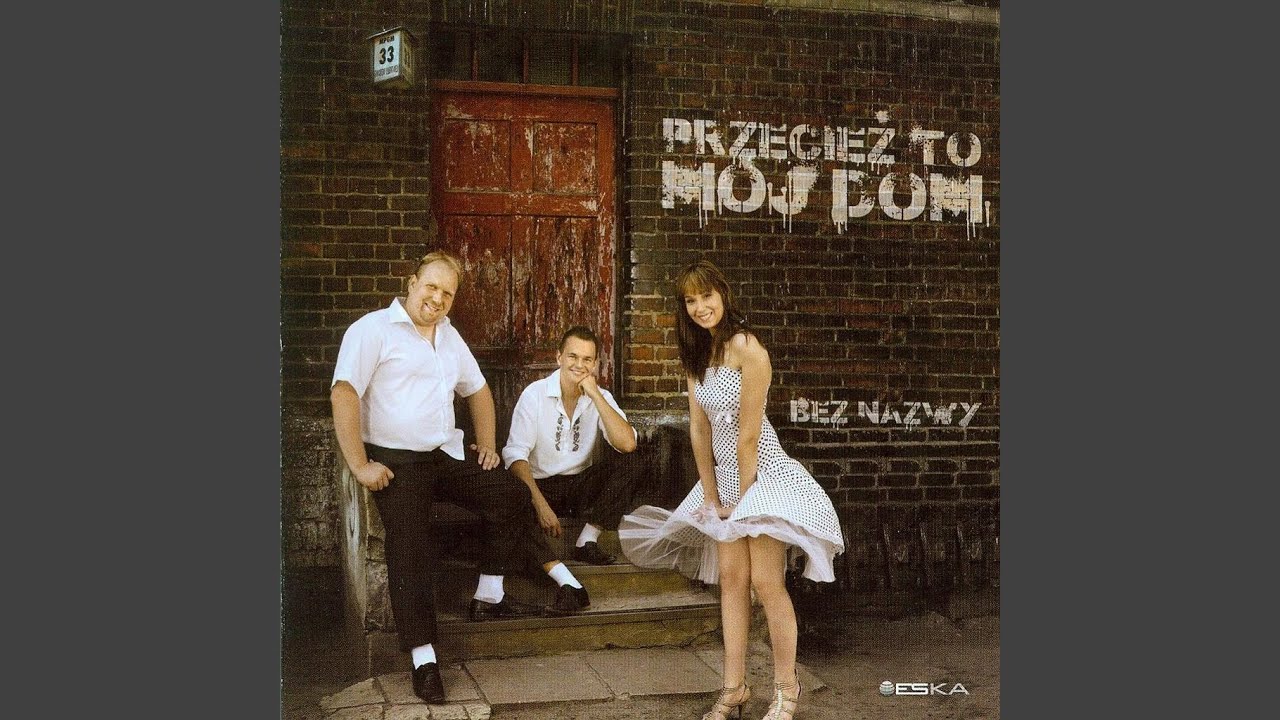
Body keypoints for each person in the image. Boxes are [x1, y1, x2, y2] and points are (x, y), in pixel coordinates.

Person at [330, 250, 590, 704]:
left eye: (447, 293)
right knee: (410, 540)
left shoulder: (448, 335)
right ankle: (424, 658)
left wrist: (487, 444)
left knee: (511, 493)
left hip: (444, 454)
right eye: (431, 286)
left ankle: (489, 594)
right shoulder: (372, 330)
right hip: (396, 460)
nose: (437, 298)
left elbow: (479, 389)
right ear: (412, 282)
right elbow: (344, 392)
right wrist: (359, 464)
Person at [619, 259, 845, 720]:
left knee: (766, 582)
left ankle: (786, 688)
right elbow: (699, 429)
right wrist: (710, 495)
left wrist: (742, 500)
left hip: (762, 475)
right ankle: (734, 688)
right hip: (724, 478)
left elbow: (748, 434)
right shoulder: (698, 354)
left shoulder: (748, 349)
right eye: (691, 300)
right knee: (732, 580)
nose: (700, 307)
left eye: (707, 296)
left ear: (723, 294)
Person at [502, 326, 642, 568]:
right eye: (573, 356)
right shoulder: (535, 394)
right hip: (540, 487)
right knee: (513, 499)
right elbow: (515, 456)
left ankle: (587, 540)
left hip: (579, 487)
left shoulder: (600, 396)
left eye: (587, 359)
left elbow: (627, 444)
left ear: (595, 364)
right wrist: (541, 505)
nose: (579, 365)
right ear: (559, 357)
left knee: (633, 461)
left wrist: (595, 395)